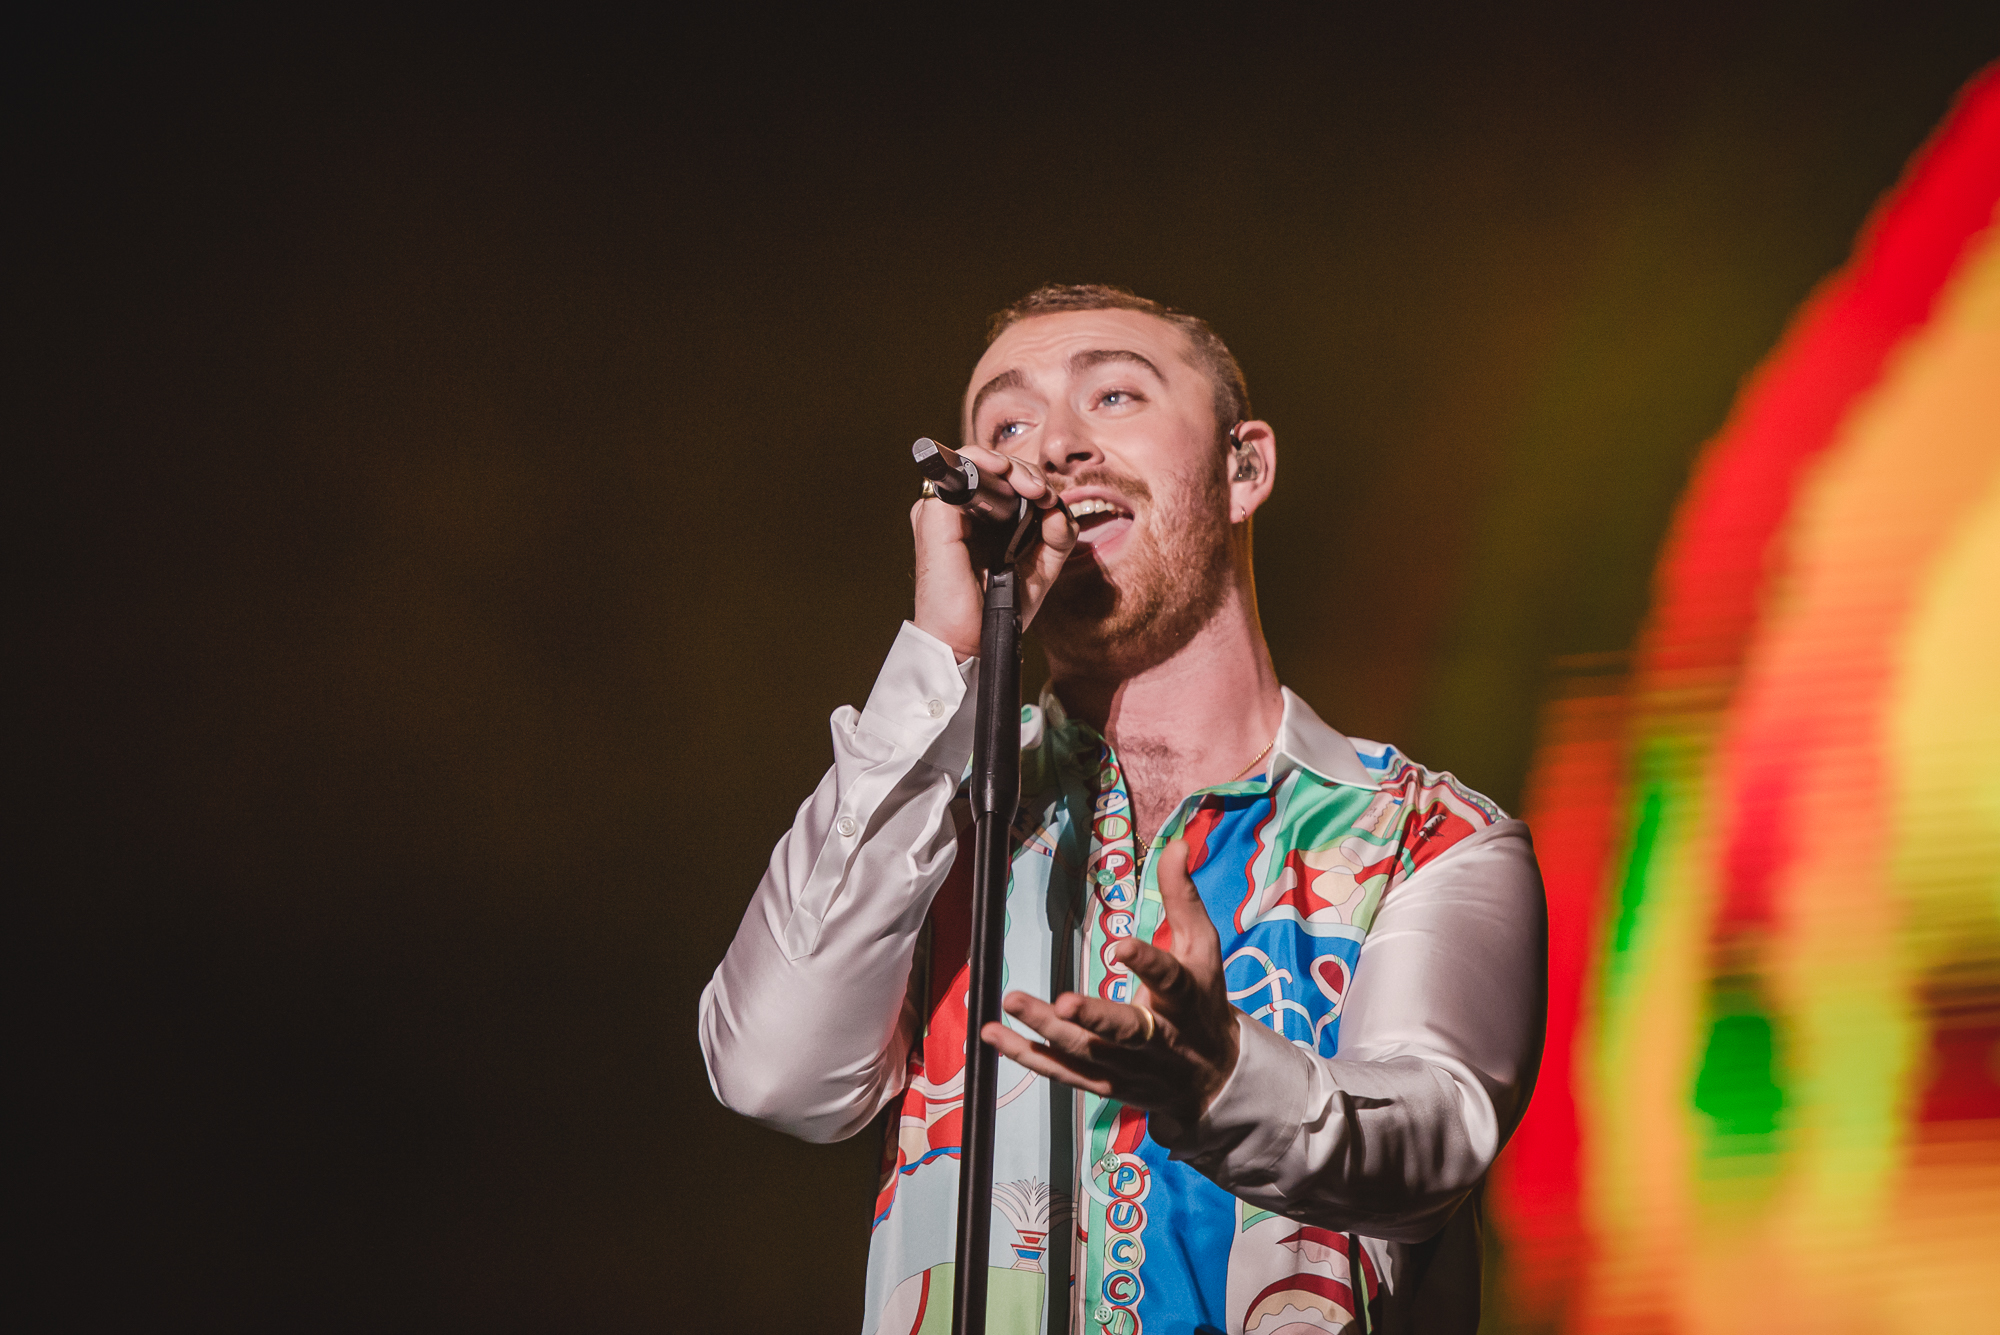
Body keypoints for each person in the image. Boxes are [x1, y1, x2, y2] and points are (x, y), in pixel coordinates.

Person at [698, 284, 1546, 1335]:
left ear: (1244, 468)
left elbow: (1432, 1141)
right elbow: (774, 1071)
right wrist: (938, 662)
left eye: (1111, 397)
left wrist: (1218, 1077)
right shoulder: (935, 813)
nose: (1052, 446)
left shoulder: (1425, 838)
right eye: (1006, 425)